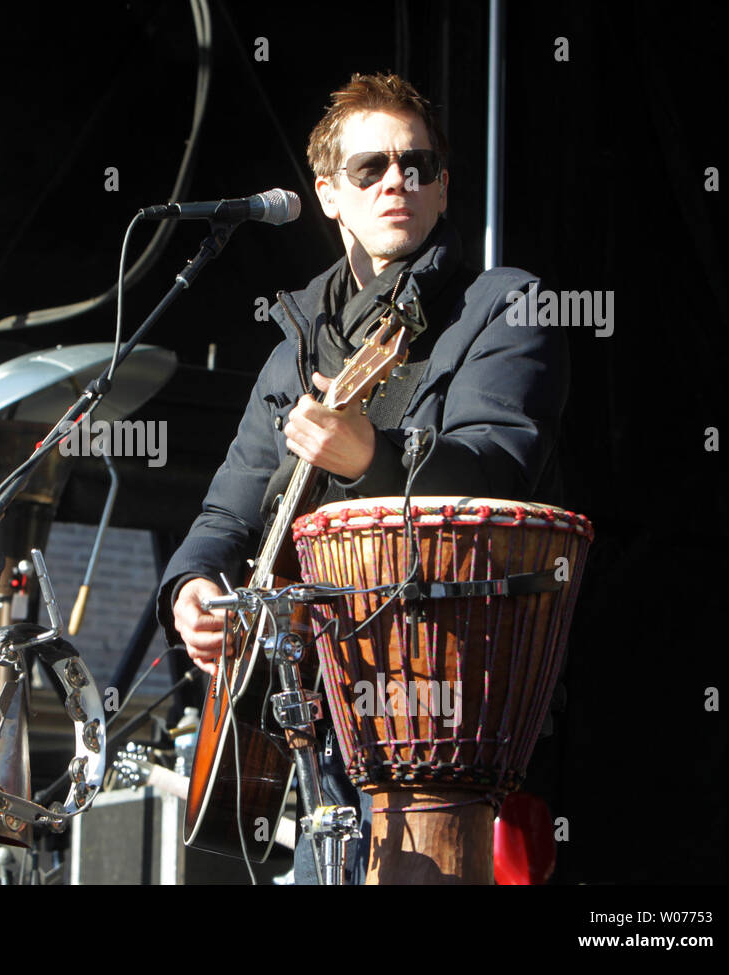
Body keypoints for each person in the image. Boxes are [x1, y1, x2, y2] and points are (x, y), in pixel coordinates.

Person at [157, 72, 567, 883]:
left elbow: (498, 466)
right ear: (328, 196)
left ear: (445, 188)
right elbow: (225, 515)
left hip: (444, 699)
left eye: (418, 167)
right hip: (316, 713)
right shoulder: (293, 353)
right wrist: (191, 588)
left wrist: (371, 458)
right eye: (370, 168)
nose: (397, 183)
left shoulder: (509, 305)